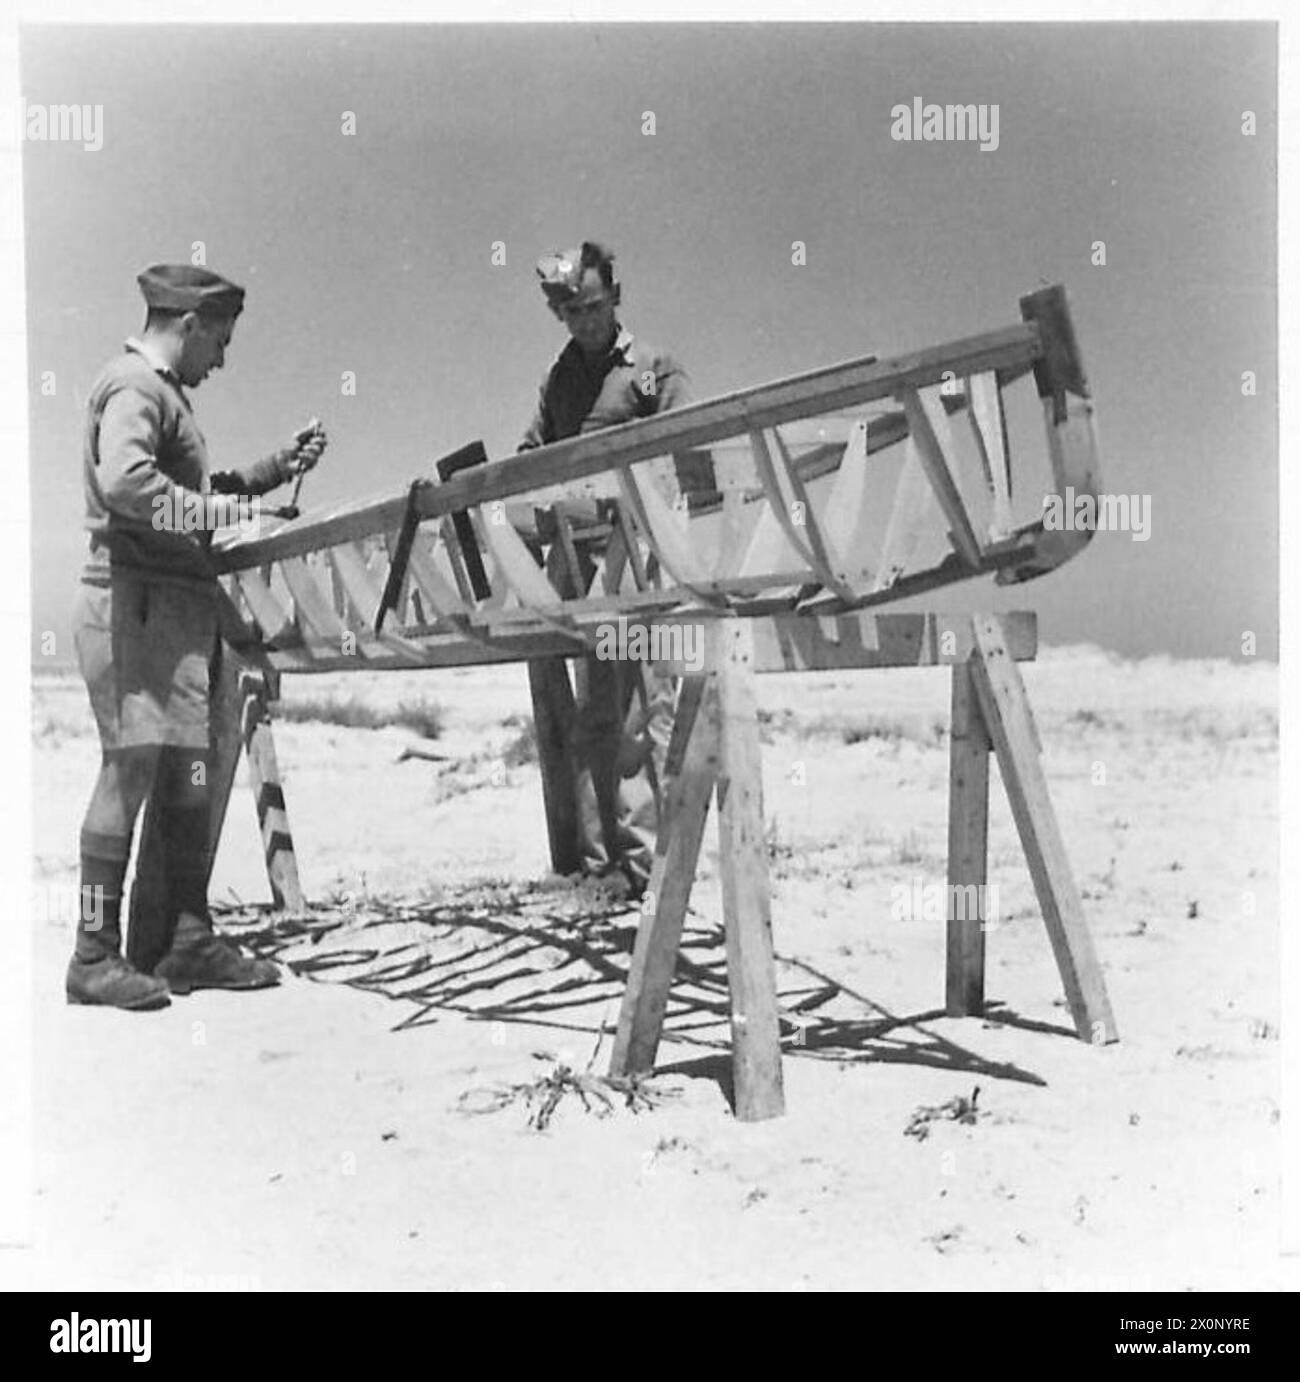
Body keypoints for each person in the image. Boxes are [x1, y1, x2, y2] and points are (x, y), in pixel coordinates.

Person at [68, 263, 326, 1010]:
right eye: (221, 339)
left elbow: (192, 494)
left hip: (170, 612)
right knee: (128, 773)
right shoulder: (135, 385)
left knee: (186, 775)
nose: (224, 358)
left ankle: (181, 939)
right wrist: (228, 521)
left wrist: (274, 472)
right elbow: (128, 487)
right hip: (134, 607)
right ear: (190, 325)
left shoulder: (162, 394)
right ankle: (92, 954)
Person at [518, 241, 689, 895]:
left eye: (594, 306)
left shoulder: (651, 369)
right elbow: (530, 452)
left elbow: (680, 443)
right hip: (573, 555)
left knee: (640, 711)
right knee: (590, 713)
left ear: (616, 297)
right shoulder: (560, 379)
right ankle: (596, 866)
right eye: (573, 312)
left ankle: (646, 868)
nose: (585, 320)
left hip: (637, 551)